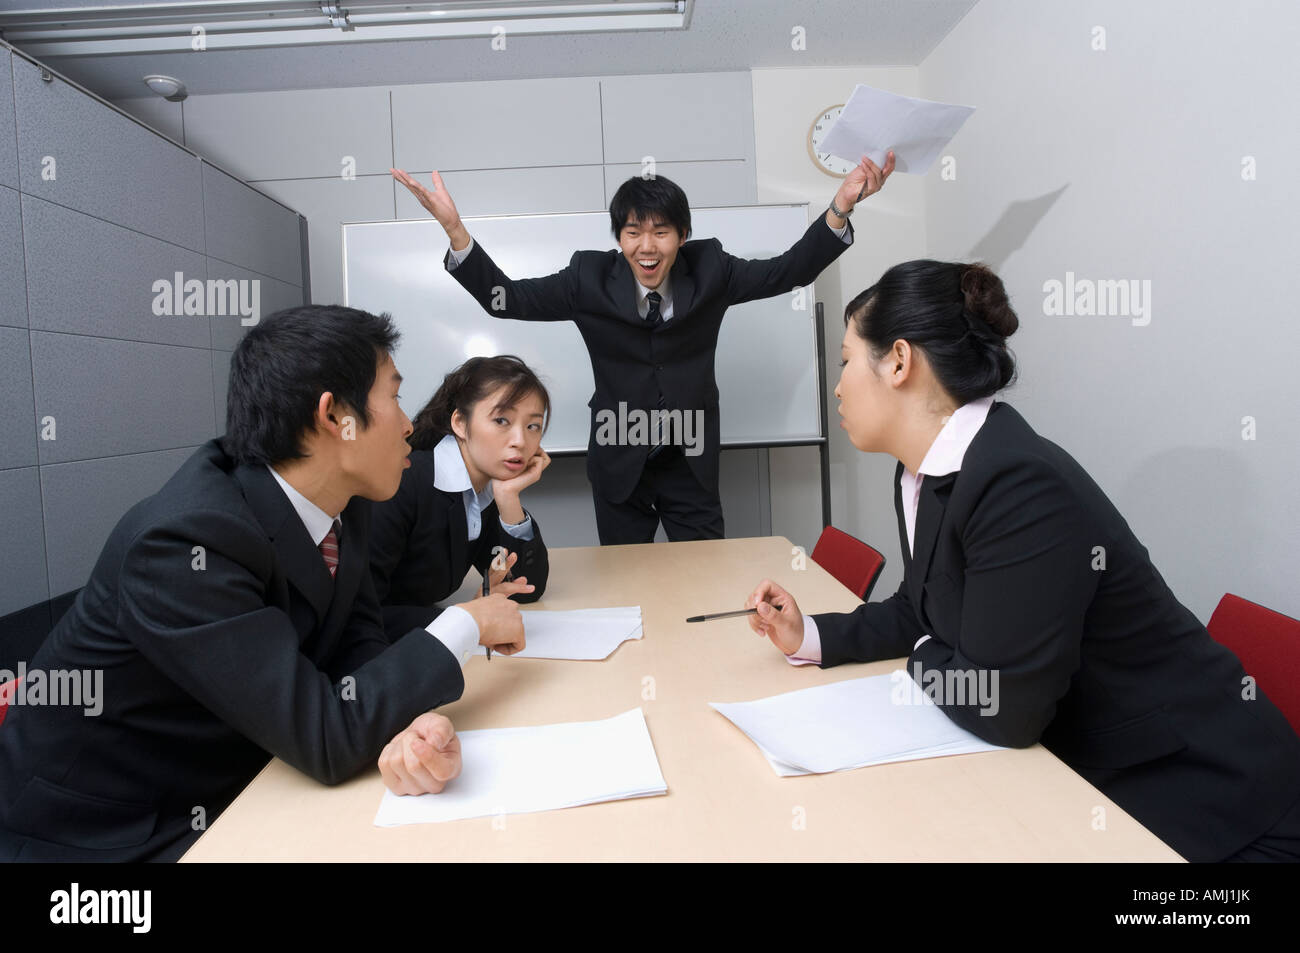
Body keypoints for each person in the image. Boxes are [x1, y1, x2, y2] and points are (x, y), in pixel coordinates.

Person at [744, 261, 1300, 862]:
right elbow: (923, 608)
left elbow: (1003, 707)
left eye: (848, 360)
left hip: (1210, 805)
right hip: (1090, 777)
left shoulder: (1017, 482)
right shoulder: (925, 473)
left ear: (899, 361)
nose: (837, 385)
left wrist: (926, 654)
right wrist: (811, 635)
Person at [0, 305, 526, 862]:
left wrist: (406, 724)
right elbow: (323, 734)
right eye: (393, 396)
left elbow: (355, 640)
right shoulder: (186, 543)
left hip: (247, 778)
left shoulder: (348, 497)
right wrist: (465, 624)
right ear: (334, 416)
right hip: (112, 833)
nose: (407, 423)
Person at [392, 154, 894, 544]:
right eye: (633, 233)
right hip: (618, 460)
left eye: (661, 231)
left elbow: (790, 271)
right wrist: (456, 232)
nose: (646, 246)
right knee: (627, 580)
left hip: (689, 462)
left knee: (703, 576)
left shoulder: (713, 269)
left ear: (682, 236)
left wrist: (841, 207)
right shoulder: (587, 278)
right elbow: (506, 300)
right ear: (619, 238)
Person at [368, 355, 552, 643]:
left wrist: (508, 499)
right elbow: (364, 616)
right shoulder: (404, 483)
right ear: (460, 424)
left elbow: (526, 587)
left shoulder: (483, 487)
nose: (520, 440)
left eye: (533, 426)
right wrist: (468, 620)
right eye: (502, 420)